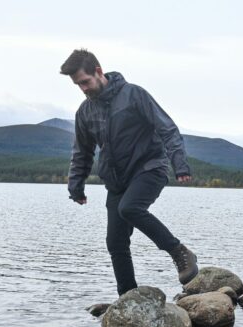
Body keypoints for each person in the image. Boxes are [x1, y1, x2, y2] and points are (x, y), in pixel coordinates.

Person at [61, 49, 198, 296]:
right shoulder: (85, 112)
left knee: (130, 208)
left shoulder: (134, 95)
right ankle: (127, 297)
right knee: (115, 242)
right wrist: (76, 186)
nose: (82, 88)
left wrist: (180, 166)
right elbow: (82, 152)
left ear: (99, 72)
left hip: (150, 168)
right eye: (77, 85)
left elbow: (167, 129)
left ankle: (179, 252)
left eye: (85, 82)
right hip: (117, 180)